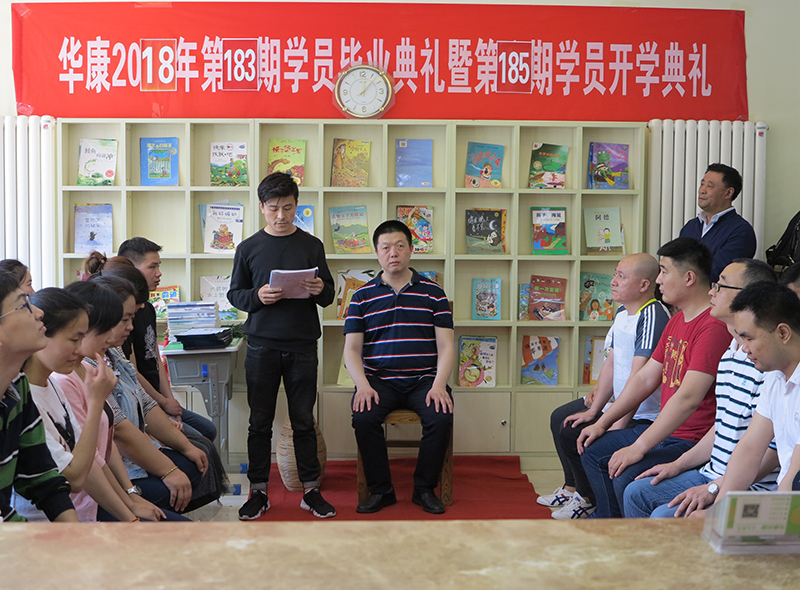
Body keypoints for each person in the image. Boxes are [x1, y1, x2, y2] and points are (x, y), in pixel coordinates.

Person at [577, 237, 731, 518]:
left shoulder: (712, 327)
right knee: (593, 448)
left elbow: (687, 399)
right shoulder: (677, 320)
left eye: (664, 271)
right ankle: (608, 523)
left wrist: (638, 447)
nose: (658, 280)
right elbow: (645, 378)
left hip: (690, 439)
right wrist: (602, 422)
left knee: (626, 475)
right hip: (666, 431)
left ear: (689, 278)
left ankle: (618, 530)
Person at [623, 259, 781, 518]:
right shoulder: (730, 354)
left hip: (750, 486)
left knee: (664, 515)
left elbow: (766, 451)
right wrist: (677, 465)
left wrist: (715, 489)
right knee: (637, 492)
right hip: (713, 473)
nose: (711, 291)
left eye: (721, 286)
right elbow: (721, 426)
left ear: (750, 297)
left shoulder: (766, 363)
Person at [228, 172, 336, 520]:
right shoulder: (248, 248)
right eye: (273, 208)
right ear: (262, 207)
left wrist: (320, 290)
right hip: (261, 346)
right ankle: (258, 491)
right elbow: (235, 294)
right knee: (259, 422)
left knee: (304, 421)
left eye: (288, 208)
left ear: (296, 205)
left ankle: (311, 490)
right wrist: (257, 296)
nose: (281, 215)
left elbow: (329, 294)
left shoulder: (311, 245)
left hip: (303, 345)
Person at [13, 287, 161, 522]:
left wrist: (129, 513)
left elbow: (92, 460)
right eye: (74, 339)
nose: (79, 348)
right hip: (46, 525)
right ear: (42, 334)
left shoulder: (52, 384)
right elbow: (75, 477)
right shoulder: (26, 397)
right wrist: (96, 403)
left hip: (83, 513)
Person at [541, 253, 670, 519]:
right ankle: (573, 488)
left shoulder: (653, 315)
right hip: (618, 403)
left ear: (644, 285)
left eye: (621, 276)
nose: (613, 281)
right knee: (562, 418)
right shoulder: (622, 312)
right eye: (615, 274)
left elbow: (640, 379)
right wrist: (594, 408)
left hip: (641, 413)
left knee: (579, 436)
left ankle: (588, 499)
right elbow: (612, 361)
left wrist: (616, 423)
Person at [63, 279, 203, 515]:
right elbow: (107, 442)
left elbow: (103, 449)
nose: (127, 329)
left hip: (112, 485)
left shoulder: (97, 361)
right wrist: (130, 505)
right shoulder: (71, 377)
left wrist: (130, 498)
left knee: (196, 453)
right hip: (91, 501)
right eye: (122, 321)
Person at [344, 220, 455, 515]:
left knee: (440, 416)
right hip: (379, 380)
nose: (393, 253)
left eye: (399, 246)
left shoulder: (434, 293)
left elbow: (446, 346)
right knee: (364, 417)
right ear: (377, 253)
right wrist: (363, 385)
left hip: (424, 380)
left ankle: (424, 489)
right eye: (385, 247)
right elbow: (351, 350)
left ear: (411, 249)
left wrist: (439, 384)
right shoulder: (361, 297)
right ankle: (382, 490)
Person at [699, 282, 800, 510]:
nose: (743, 349)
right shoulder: (775, 377)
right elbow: (749, 449)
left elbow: (794, 477)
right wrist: (717, 511)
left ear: (783, 333)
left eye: (749, 338)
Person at [112, 243, 217, 442]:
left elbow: (156, 358)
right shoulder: (124, 317)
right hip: (145, 401)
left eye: (158, 266)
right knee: (199, 441)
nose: (159, 273)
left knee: (208, 429)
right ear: (132, 270)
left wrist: (170, 400)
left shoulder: (149, 309)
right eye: (152, 267)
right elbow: (132, 372)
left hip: (159, 399)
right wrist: (162, 402)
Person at [0, 271, 78, 522]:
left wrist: (74, 532)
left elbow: (40, 476)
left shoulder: (17, 385)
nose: (39, 312)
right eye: (24, 305)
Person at [678, 163, 756, 282]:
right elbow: (675, 263)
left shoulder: (741, 231)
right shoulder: (691, 226)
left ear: (728, 193)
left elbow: (716, 273)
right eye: (702, 184)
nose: (702, 190)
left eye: (710, 186)